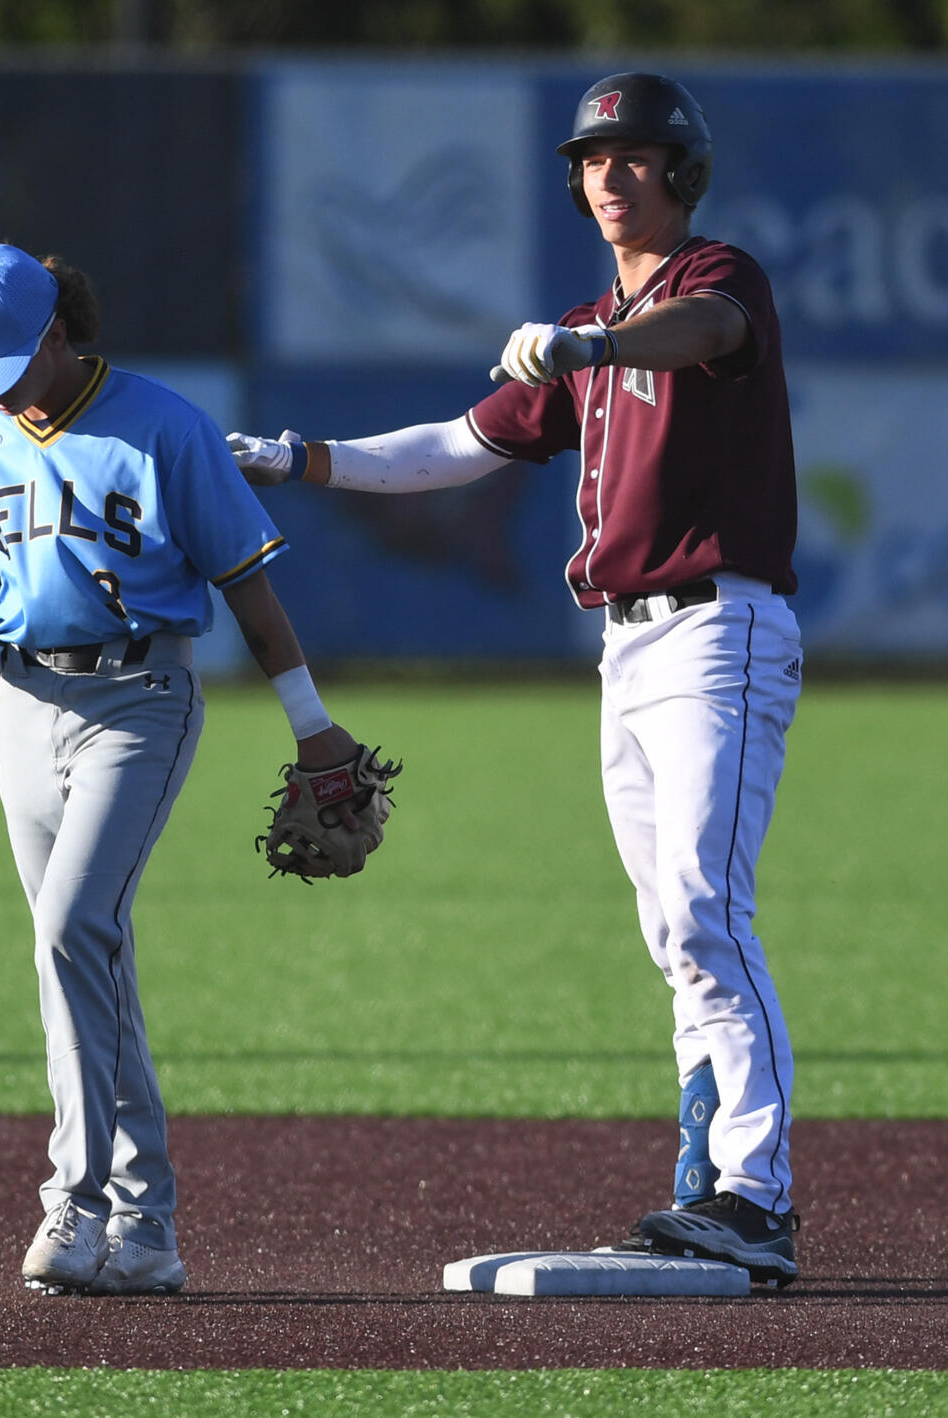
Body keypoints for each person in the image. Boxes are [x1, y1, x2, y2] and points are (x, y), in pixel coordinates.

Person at [228, 72, 803, 1287]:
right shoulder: (584, 327)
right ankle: (709, 1179)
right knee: (669, 924)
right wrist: (297, 457)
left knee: (703, 905)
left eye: (636, 157)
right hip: (627, 645)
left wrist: (591, 342)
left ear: (681, 175)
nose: (609, 176)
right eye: (593, 159)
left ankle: (756, 1193)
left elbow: (704, 338)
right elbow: (454, 444)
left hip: (719, 629)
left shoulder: (710, 283)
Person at [0, 242, 374, 1297]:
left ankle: (72, 1200)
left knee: (71, 928)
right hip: (21, 701)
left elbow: (247, 587)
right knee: (86, 954)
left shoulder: (165, 426)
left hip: (139, 700)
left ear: (59, 334)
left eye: (9, 359)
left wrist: (312, 723)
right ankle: (146, 1225)